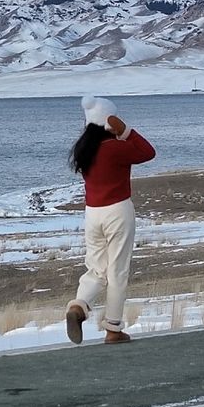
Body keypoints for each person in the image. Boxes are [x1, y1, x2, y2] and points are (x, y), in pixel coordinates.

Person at [65, 95, 156, 344]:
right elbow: (148, 152)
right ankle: (113, 329)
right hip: (117, 211)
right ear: (109, 121)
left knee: (96, 268)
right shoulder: (114, 148)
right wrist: (125, 130)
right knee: (117, 271)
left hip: (92, 213)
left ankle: (78, 307)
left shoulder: (85, 150)